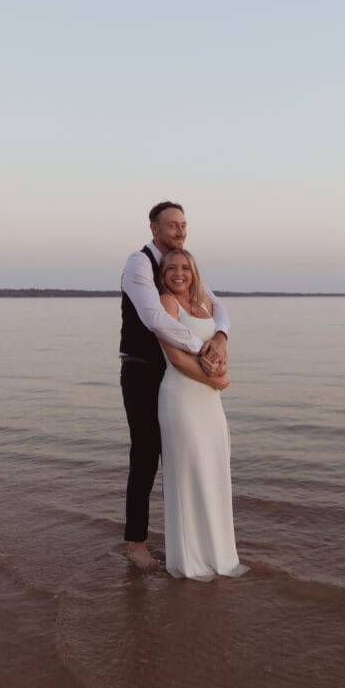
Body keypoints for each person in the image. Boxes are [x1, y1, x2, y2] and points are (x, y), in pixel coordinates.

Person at [120, 202, 229, 569]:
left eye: (183, 224)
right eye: (172, 225)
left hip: (180, 371)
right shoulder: (140, 264)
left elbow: (215, 304)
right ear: (154, 228)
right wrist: (204, 351)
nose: (180, 231)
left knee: (186, 457)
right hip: (143, 370)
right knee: (146, 456)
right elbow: (154, 318)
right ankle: (136, 543)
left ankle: (192, 541)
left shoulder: (181, 262)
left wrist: (222, 337)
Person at [157, 248, 247, 580]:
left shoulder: (207, 305)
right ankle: (190, 561)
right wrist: (218, 379)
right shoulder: (166, 303)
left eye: (185, 267)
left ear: (194, 272)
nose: (178, 273)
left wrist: (221, 366)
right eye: (171, 268)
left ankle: (220, 555)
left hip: (210, 402)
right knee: (189, 474)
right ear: (163, 274)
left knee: (215, 469)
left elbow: (217, 349)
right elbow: (178, 358)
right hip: (181, 397)